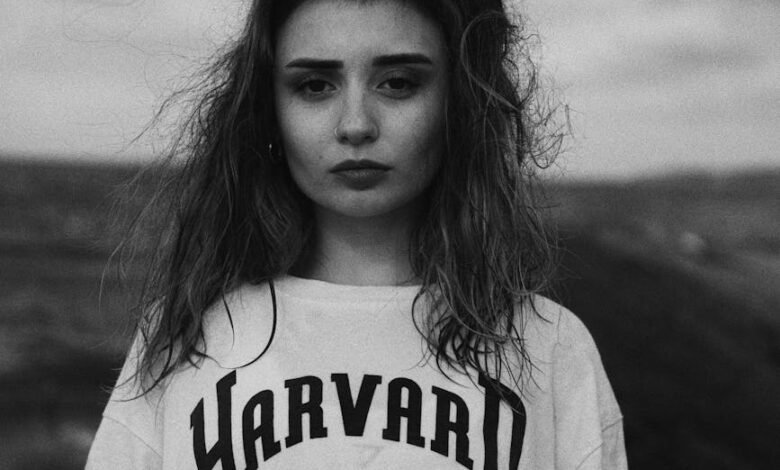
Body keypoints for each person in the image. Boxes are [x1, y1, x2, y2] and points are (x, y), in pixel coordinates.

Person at [87, 0, 627, 468]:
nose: (355, 124)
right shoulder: (184, 337)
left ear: (458, 102)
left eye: (398, 83)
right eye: (314, 85)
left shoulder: (550, 347)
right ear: (269, 109)